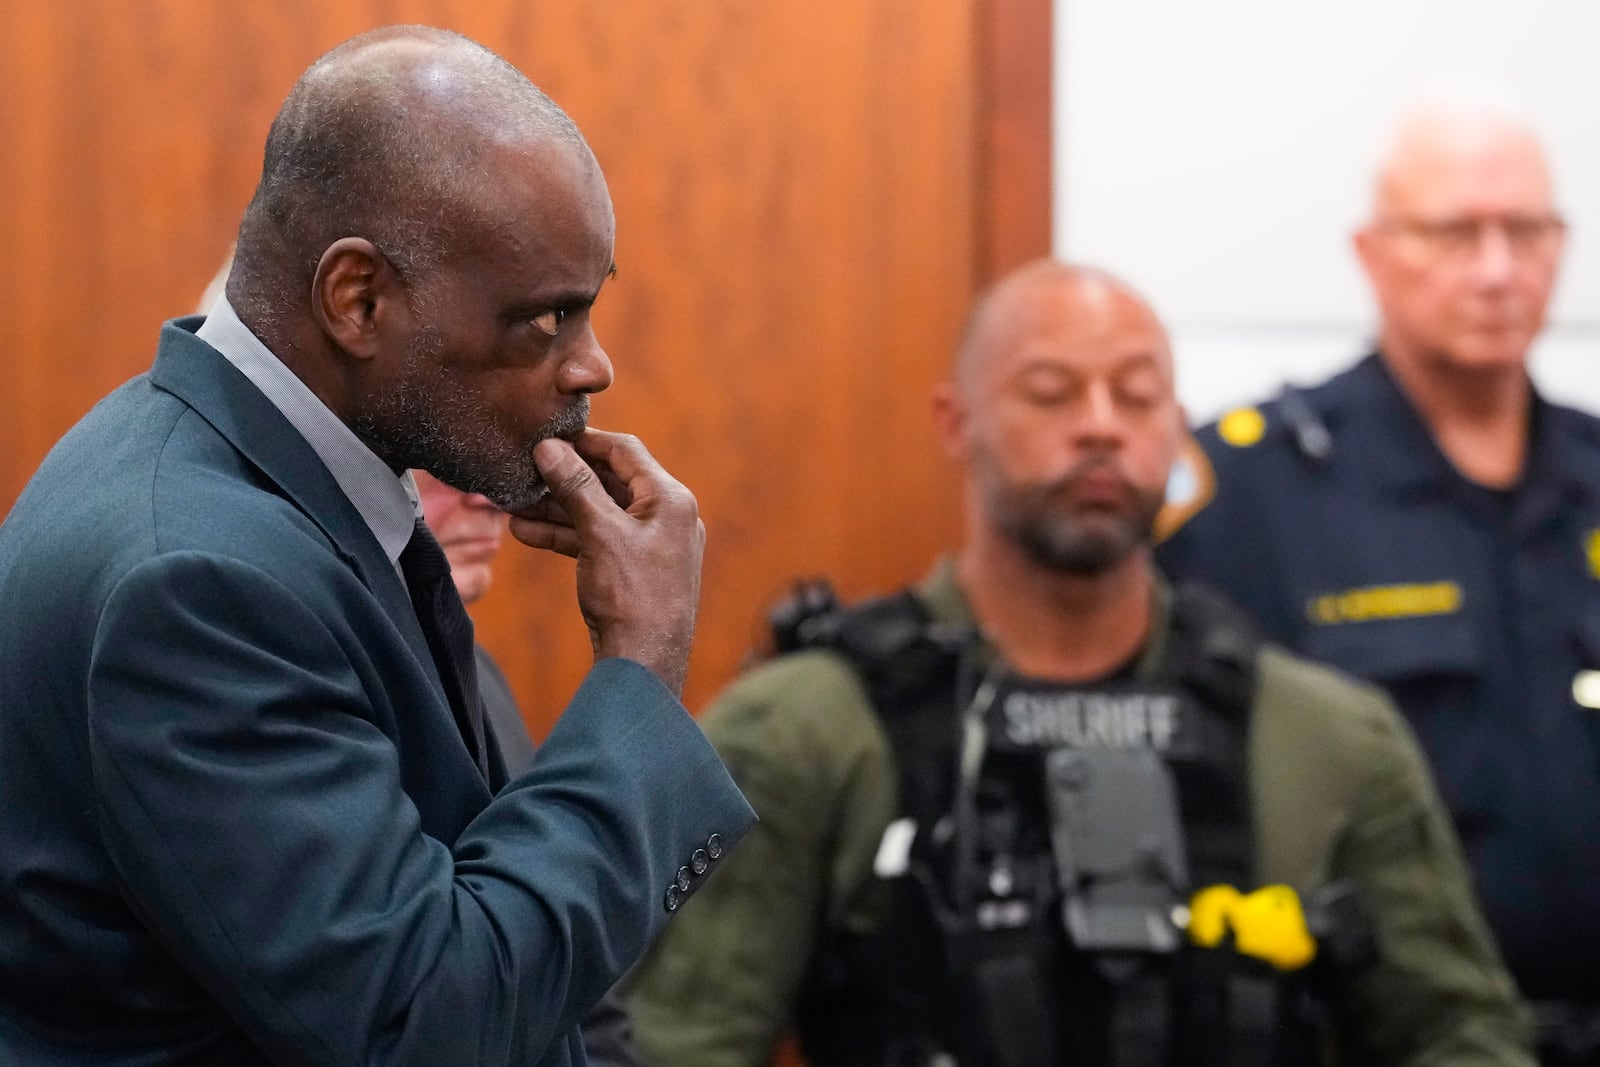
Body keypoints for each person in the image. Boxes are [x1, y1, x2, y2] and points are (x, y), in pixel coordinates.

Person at [0, 25, 753, 1067]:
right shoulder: (196, 580)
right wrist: (640, 668)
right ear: (357, 298)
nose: (592, 367)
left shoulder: (278, 499)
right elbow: (427, 1025)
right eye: (546, 319)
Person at [623, 260, 1532, 1066]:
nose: (1100, 427)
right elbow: (674, 1043)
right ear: (957, 420)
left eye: (1137, 397)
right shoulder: (804, 730)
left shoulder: (1327, 736)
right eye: (1052, 392)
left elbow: (1461, 1035)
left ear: (1175, 430)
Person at [1155, 95, 1599, 1061]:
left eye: (1525, 231)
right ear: (1372, 251)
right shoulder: (1252, 493)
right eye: (1453, 233)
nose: (1496, 268)